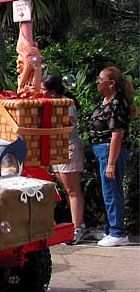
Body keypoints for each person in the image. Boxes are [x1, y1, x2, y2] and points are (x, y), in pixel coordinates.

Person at [89, 67, 137, 247]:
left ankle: (118, 232)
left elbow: (117, 134)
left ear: (111, 83)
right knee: (107, 190)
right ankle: (110, 229)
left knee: (112, 190)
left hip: (111, 151)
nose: (97, 82)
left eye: (100, 79)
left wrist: (111, 163)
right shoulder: (105, 101)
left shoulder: (116, 104)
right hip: (101, 150)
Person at [42, 74, 87, 244]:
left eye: (44, 89)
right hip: (57, 148)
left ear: (53, 92)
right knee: (66, 189)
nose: (41, 92)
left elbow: (67, 126)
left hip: (69, 147)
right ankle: (76, 223)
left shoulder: (67, 104)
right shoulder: (51, 103)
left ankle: (77, 228)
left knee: (73, 190)